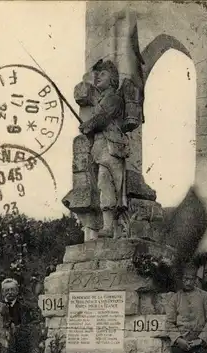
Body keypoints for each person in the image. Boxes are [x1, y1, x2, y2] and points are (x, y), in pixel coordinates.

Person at [78, 60, 129, 238]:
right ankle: (108, 226)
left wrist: (88, 125)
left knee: (108, 183)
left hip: (111, 147)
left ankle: (112, 228)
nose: (98, 76)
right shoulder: (102, 99)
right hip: (100, 149)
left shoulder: (114, 98)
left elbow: (103, 119)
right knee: (103, 184)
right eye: (97, 74)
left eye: (103, 74)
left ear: (113, 79)